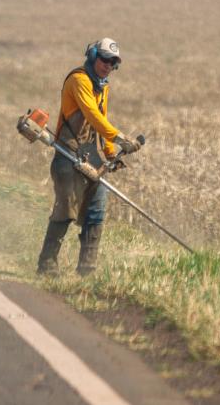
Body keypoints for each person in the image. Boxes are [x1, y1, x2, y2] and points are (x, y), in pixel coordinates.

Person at [37, 38, 142, 276]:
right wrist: (120, 137)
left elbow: (100, 120)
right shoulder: (79, 80)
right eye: (105, 59)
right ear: (93, 55)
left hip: (90, 155)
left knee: (96, 211)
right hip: (67, 154)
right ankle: (47, 264)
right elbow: (92, 114)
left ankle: (87, 269)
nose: (108, 65)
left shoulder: (102, 86)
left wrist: (109, 152)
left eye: (113, 62)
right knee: (66, 209)